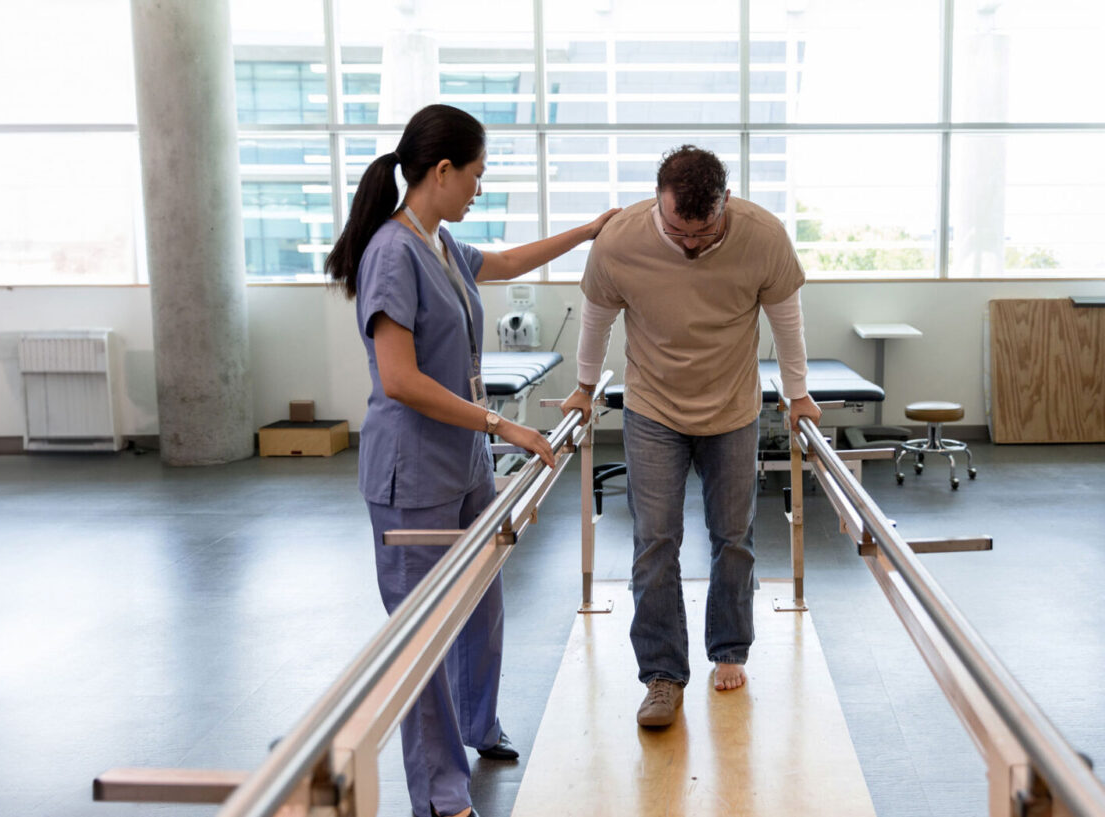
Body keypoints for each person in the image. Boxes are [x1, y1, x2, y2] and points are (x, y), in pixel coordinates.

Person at [326, 103, 617, 817]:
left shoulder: (441, 243)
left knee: (482, 602)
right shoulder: (391, 252)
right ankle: (440, 790)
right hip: (411, 471)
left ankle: (479, 724)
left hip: (461, 463)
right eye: (477, 175)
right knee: (423, 635)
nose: (480, 189)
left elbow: (510, 261)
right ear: (443, 169)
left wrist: (589, 232)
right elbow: (399, 378)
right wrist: (502, 425)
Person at [560, 145, 819, 729]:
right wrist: (583, 386)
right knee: (655, 541)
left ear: (725, 204)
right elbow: (597, 316)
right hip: (652, 407)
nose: (691, 245)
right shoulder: (620, 241)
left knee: (733, 537)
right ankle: (661, 674)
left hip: (732, 408)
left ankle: (729, 649)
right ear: (658, 202)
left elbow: (787, 319)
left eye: (704, 233)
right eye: (679, 231)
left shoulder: (763, 236)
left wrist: (797, 393)